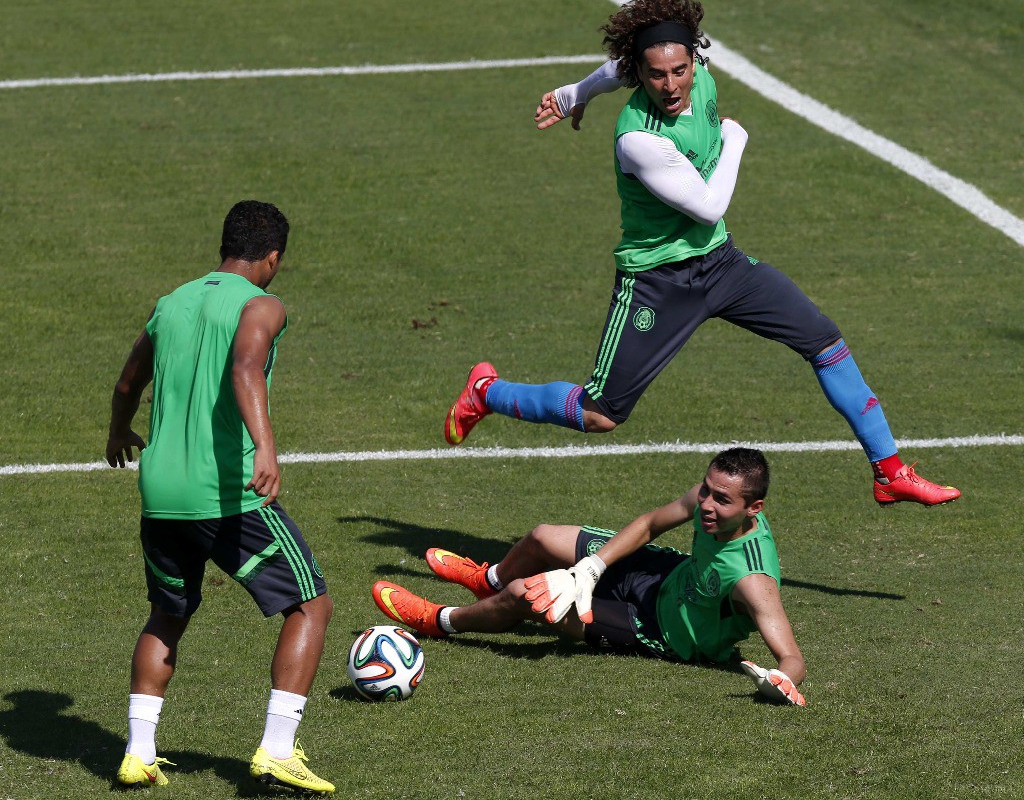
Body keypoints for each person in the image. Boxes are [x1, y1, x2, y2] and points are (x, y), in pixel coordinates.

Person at [443, 0, 960, 509]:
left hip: (722, 264)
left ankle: (890, 470)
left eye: (680, 70)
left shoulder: (693, 75)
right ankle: (487, 392)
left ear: (696, 61)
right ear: (640, 75)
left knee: (824, 341)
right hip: (658, 282)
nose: (670, 85)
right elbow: (710, 205)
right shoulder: (638, 140)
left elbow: (613, 72)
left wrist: (577, 91)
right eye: (656, 75)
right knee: (600, 414)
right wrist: (734, 137)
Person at [105, 201, 335, 794]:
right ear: (274, 256)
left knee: (169, 612)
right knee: (310, 604)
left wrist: (117, 429)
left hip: (160, 494)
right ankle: (278, 749)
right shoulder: (263, 305)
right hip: (225, 495)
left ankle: (138, 753)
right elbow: (245, 367)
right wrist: (265, 446)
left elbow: (130, 380)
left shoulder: (171, 303)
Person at [372, 447, 807, 707]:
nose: (706, 504)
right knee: (542, 539)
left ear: (754, 509)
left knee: (530, 597)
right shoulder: (711, 498)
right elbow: (651, 524)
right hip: (666, 576)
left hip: (659, 630)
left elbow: (792, 657)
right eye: (706, 490)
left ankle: (441, 620)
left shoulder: (754, 581)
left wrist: (780, 681)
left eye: (722, 500)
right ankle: (488, 580)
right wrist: (592, 567)